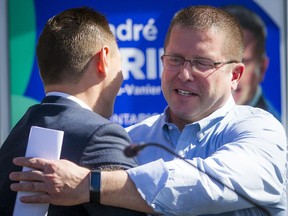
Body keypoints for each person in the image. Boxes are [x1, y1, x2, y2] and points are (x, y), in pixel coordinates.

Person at [9, 5, 287, 216]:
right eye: (175, 59)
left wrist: (91, 185)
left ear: (235, 74)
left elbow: (213, 183)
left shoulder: (261, 130)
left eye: (202, 63)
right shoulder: (128, 141)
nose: (185, 74)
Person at [0, 7, 145, 216]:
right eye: (121, 65)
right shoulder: (101, 135)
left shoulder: (16, 136)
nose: (121, 77)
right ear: (103, 59)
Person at [223, 5, 281, 121]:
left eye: (241, 61)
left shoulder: (270, 128)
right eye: (218, 61)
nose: (229, 73)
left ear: (262, 68)